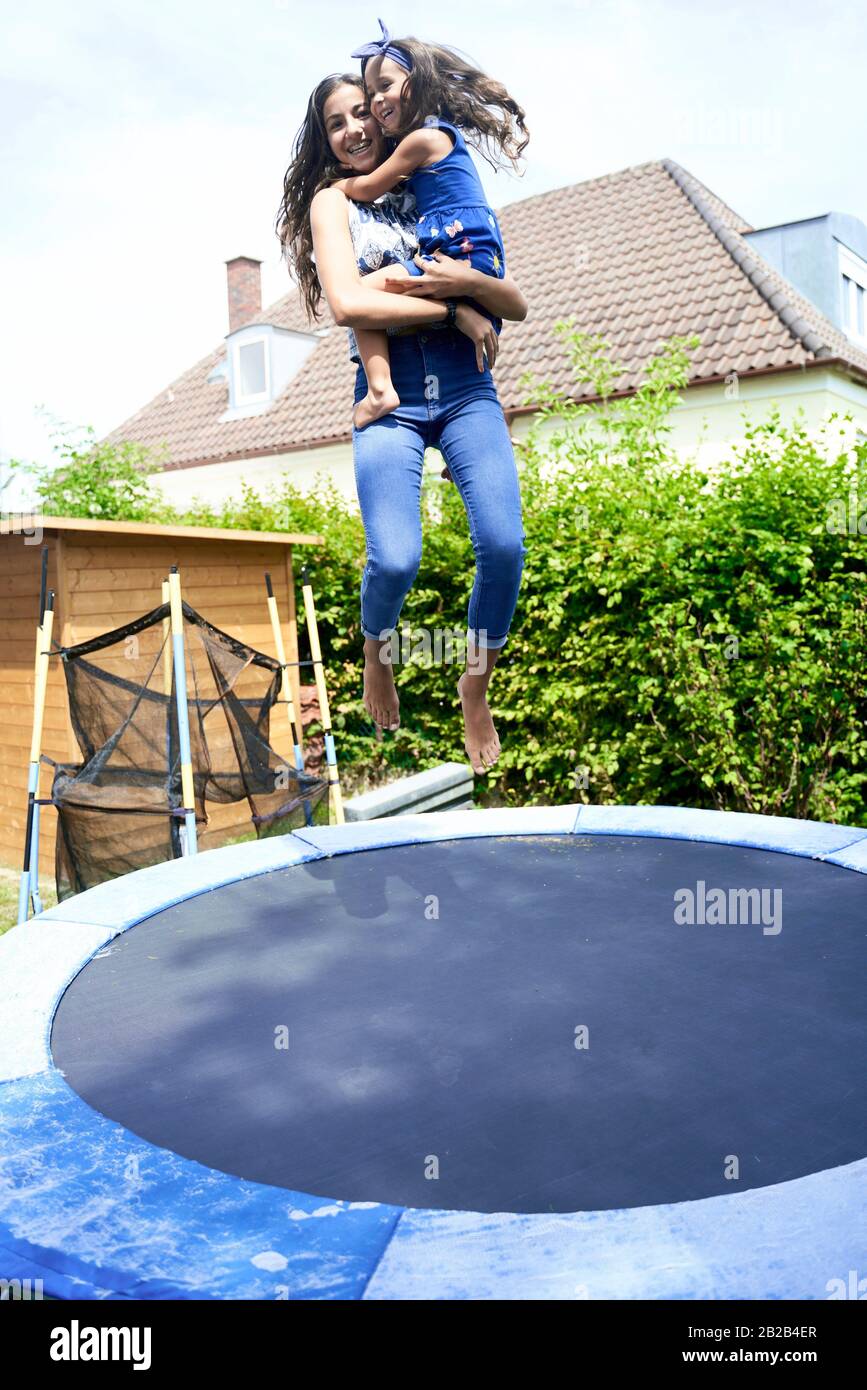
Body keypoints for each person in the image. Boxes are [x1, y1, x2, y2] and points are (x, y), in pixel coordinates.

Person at [276, 70, 528, 774]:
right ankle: (375, 649)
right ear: (322, 138)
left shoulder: (424, 176)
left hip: (465, 388)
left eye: (363, 113)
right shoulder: (335, 201)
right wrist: (454, 307)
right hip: (385, 400)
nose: (355, 128)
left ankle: (472, 682)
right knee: (394, 557)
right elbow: (351, 305)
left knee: (504, 547)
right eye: (336, 122)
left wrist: (473, 293)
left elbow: (503, 291)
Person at [332, 19, 528, 430]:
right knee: (467, 367)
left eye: (385, 86)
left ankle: (380, 388)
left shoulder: (421, 141)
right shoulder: (440, 139)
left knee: (361, 294)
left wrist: (335, 186)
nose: (378, 100)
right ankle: (469, 443)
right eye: (371, 95)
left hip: (455, 250)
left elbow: (367, 188)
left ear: (417, 81)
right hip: (477, 254)